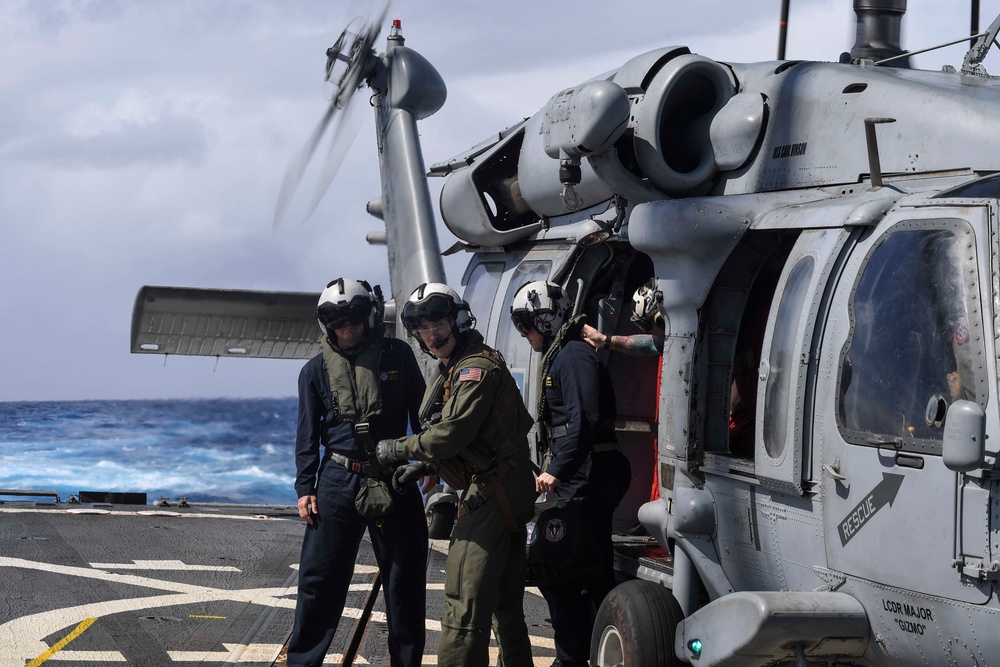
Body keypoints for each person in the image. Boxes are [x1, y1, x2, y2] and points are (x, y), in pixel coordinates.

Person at [374, 282, 536, 667]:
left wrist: (396, 449)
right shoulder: (459, 365)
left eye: (438, 323)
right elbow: (470, 435)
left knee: (462, 606)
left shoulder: (474, 369)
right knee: (505, 603)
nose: (432, 335)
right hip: (505, 486)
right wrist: (427, 465)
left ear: (458, 321)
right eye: (423, 329)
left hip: (491, 491)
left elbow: (450, 434)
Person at [288, 278, 428, 667]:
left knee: (404, 579)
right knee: (319, 581)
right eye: (337, 323)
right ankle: (304, 661)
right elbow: (307, 433)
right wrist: (305, 487)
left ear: (368, 318)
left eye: (352, 320)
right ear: (327, 325)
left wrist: (431, 464)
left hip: (394, 477)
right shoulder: (314, 371)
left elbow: (421, 416)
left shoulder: (398, 355)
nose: (346, 329)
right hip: (336, 479)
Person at [510, 280, 631, 667]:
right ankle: (579, 654)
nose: (525, 336)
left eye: (526, 325)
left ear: (545, 322)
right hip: (582, 472)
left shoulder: (574, 356)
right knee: (578, 571)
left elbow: (585, 419)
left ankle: (577, 656)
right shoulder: (565, 355)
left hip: (587, 474)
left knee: (566, 568)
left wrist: (555, 472)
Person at [579, 279, 664, 356]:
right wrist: (605, 340)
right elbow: (650, 344)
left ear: (659, 321)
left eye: (647, 326)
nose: (651, 331)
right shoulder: (665, 337)